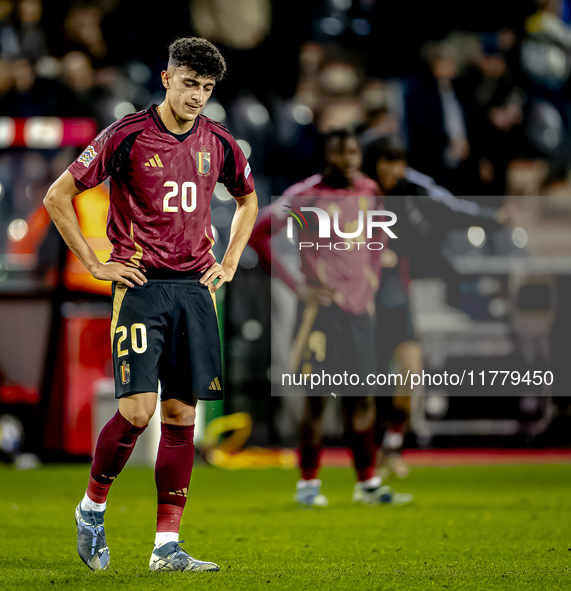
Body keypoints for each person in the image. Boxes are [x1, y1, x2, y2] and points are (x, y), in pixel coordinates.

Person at [44, 37, 258, 573]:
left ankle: (167, 547)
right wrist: (95, 264)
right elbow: (57, 196)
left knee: (182, 415)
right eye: (190, 84)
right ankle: (92, 507)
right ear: (166, 78)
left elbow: (249, 199)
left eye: (207, 88)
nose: (197, 96)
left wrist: (229, 262)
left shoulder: (222, 143)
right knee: (138, 412)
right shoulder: (128, 135)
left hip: (194, 289)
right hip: (140, 286)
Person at [249, 129, 413, 507]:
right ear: (327, 157)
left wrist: (371, 280)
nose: (348, 161)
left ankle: (367, 484)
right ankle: (308, 485)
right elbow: (260, 233)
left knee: (362, 399)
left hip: (359, 313)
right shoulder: (306, 195)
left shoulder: (370, 191)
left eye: (353, 153)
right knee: (318, 400)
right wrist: (297, 286)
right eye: (340, 154)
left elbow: (379, 235)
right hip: (321, 312)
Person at [361, 133, 515, 477]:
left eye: (399, 161)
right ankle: (365, 458)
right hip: (359, 298)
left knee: (410, 373)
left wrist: (490, 218)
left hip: (393, 292)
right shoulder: (355, 190)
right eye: (388, 161)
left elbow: (450, 207)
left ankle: (394, 444)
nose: (394, 169)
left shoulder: (413, 188)